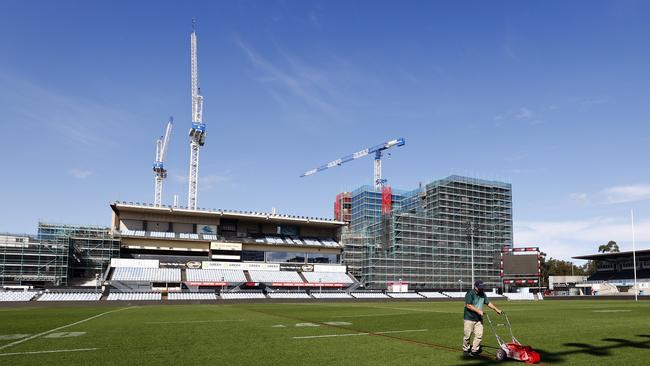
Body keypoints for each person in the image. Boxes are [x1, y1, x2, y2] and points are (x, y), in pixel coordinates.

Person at [463, 280, 502, 357]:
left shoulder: (483, 294)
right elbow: (468, 305)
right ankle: (465, 348)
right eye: (480, 288)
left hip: (479, 318)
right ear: (475, 287)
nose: (481, 289)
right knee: (467, 336)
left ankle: (474, 350)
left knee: (479, 335)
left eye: (482, 288)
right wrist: (478, 310)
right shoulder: (470, 293)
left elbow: (488, 303)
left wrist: (496, 309)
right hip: (469, 317)